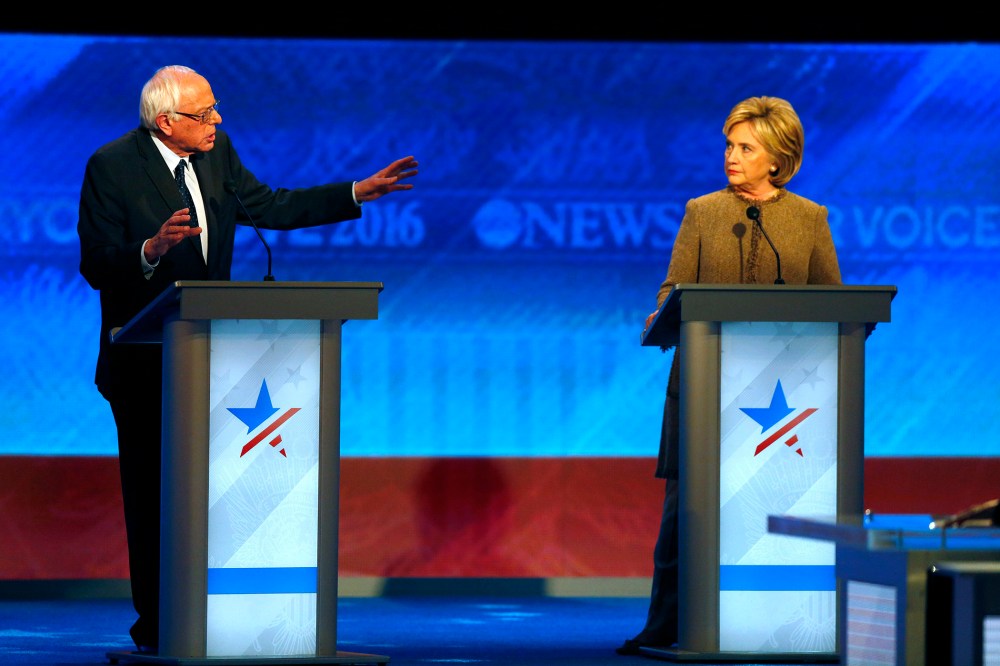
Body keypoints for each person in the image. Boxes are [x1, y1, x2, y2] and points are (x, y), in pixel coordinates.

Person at [77, 64, 418, 653]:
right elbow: (96, 263)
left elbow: (270, 206)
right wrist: (151, 249)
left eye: (215, 109)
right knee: (154, 497)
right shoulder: (112, 165)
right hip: (143, 364)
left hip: (217, 360)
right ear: (166, 121)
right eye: (204, 113)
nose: (218, 121)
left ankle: (219, 619)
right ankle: (158, 625)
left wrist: (355, 192)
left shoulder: (217, 153)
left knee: (217, 496)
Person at [616, 96, 842, 656]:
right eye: (728, 146)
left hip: (784, 404)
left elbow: (837, 306)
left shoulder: (810, 218)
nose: (731, 157)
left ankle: (785, 623)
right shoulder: (703, 211)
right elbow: (674, 289)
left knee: (775, 507)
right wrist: (661, 310)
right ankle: (667, 626)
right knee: (683, 511)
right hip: (703, 387)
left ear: (778, 158)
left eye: (745, 148)